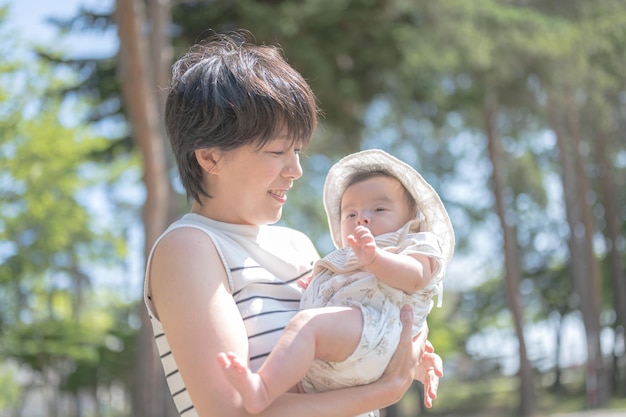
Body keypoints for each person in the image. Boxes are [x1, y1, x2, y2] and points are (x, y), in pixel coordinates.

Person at [143, 30, 443, 417]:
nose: (296, 169)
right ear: (210, 157)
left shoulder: (298, 245)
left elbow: (346, 351)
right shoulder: (189, 249)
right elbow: (230, 411)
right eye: (277, 151)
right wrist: (387, 390)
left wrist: (401, 346)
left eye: (297, 150)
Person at [218, 149, 455, 415]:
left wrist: (376, 259)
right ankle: (266, 390)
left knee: (307, 326)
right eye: (350, 215)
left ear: (412, 218)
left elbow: (416, 276)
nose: (362, 218)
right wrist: (317, 288)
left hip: (375, 328)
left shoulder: (412, 241)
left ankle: (262, 389)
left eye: (379, 208)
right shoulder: (344, 259)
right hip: (347, 354)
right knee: (299, 357)